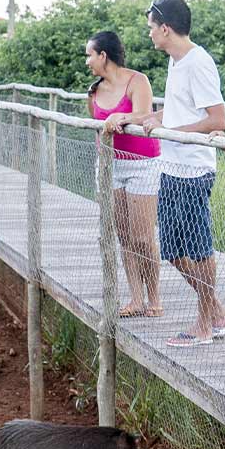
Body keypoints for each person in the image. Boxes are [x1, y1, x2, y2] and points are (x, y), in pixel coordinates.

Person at [111, 0, 225, 348]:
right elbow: (182, 111)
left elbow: (217, 119)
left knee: (197, 248)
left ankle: (205, 321)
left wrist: (173, 130)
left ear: (166, 28)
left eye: (151, 27)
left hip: (193, 170)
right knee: (174, 251)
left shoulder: (198, 63)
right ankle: (218, 312)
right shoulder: (176, 63)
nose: (149, 34)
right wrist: (155, 119)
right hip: (171, 167)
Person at [85, 31, 163, 318]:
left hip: (142, 163)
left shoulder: (137, 81)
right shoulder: (94, 91)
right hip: (110, 166)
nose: (87, 61)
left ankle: (154, 297)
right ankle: (135, 298)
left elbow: (145, 115)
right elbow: (96, 125)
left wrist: (122, 117)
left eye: (89, 55)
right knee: (125, 237)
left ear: (103, 55)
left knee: (143, 237)